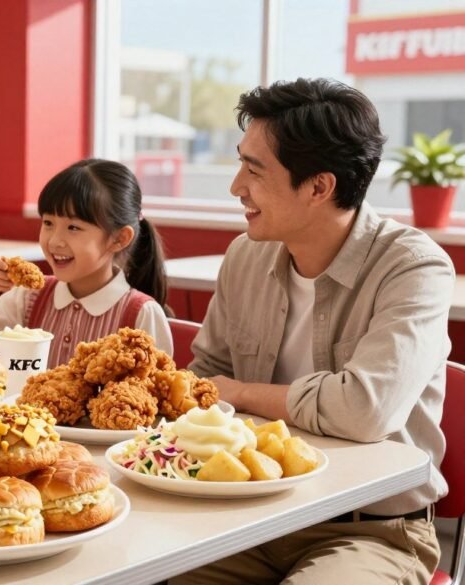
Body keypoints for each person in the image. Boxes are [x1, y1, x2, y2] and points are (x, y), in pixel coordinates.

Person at [175, 78, 451, 584]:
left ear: (320, 187)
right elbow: (204, 380)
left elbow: (365, 410)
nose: (236, 186)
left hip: (372, 530)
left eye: (253, 170)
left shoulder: (413, 267)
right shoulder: (244, 256)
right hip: (247, 517)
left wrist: (241, 393)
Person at [0, 158, 173, 366]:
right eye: (48, 223)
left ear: (119, 239)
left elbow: (154, 397)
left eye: (73, 227)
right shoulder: (29, 296)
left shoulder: (140, 313)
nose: (55, 241)